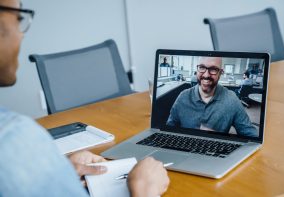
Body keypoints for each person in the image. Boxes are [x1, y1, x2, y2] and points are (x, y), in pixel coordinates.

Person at [0, 1, 169, 196]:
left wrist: (55, 171)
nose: (22, 33)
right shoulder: (12, 139)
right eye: (18, 18)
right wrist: (145, 189)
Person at [166, 57, 257, 137]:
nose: (206, 75)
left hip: (216, 152)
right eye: (202, 67)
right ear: (197, 69)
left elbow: (251, 135)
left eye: (213, 69)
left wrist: (217, 138)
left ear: (220, 73)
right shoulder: (183, 97)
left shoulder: (231, 99)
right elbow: (169, 130)